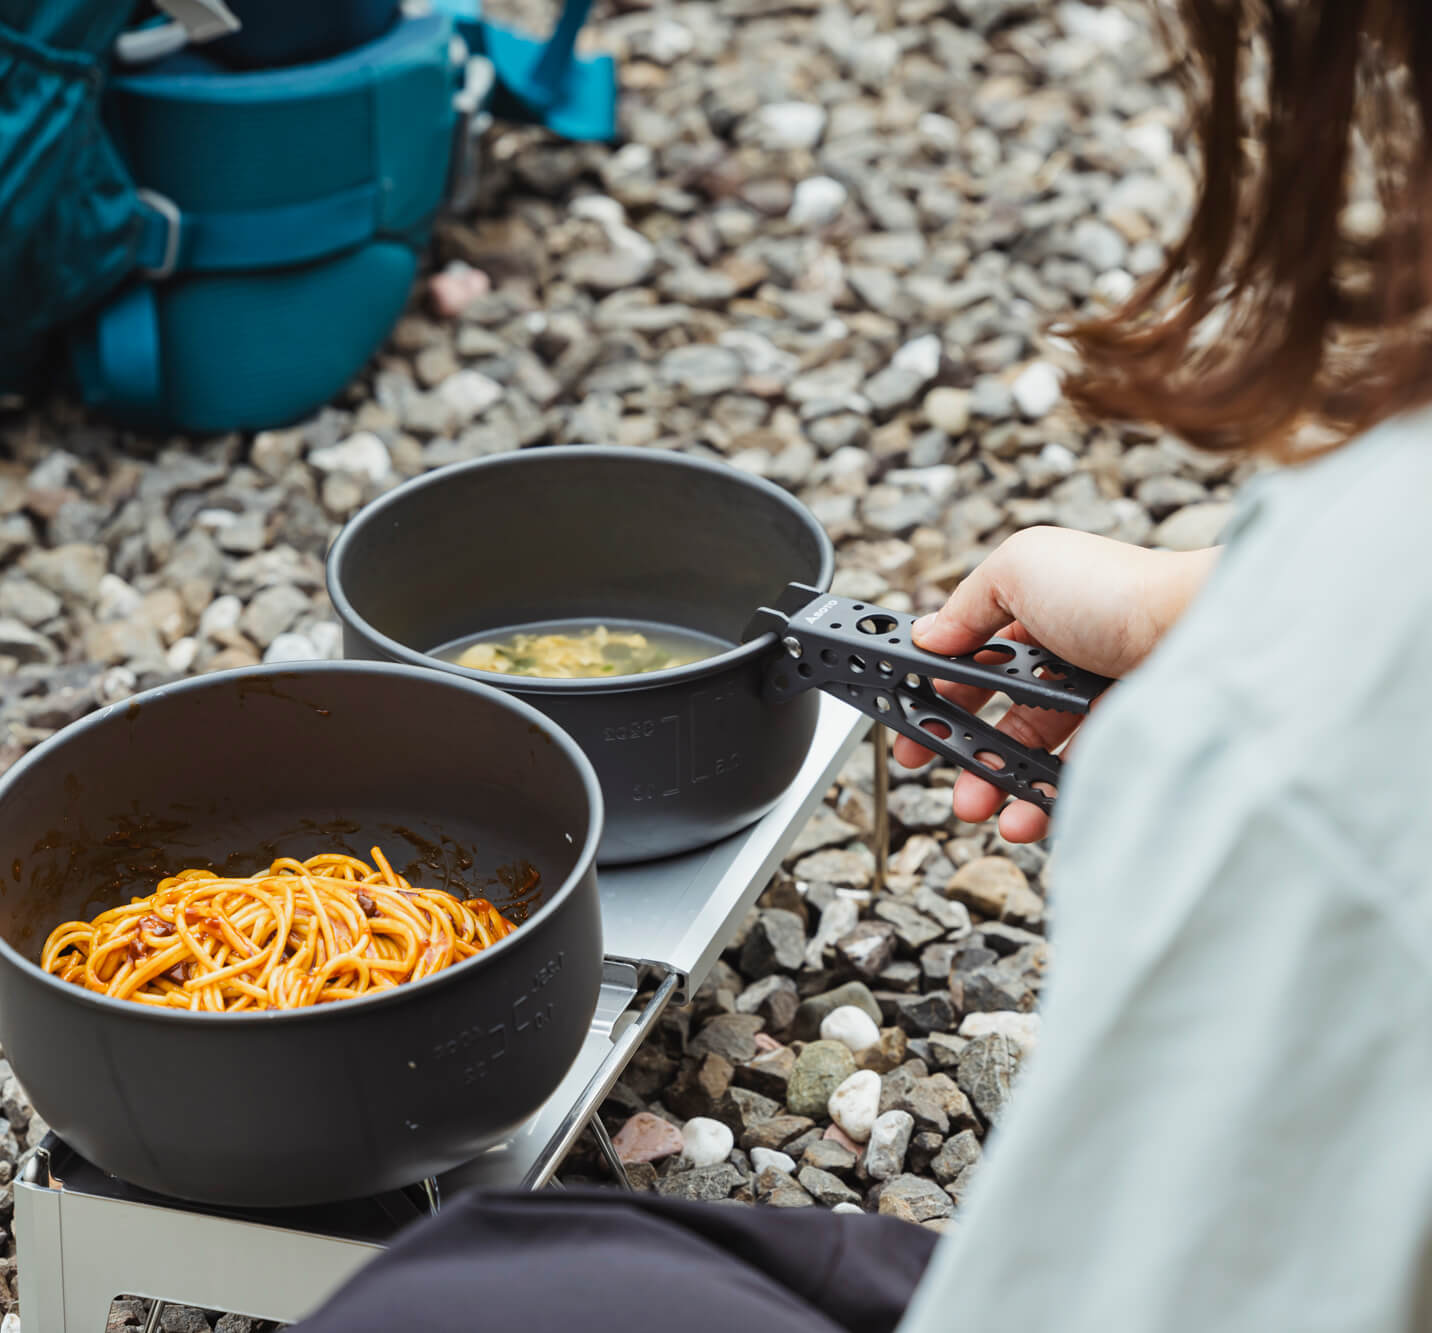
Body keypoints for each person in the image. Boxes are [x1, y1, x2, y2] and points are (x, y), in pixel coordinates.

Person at [299, 0, 1432, 1329]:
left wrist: (1256, 672)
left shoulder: (1311, 773)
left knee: (442, 1303)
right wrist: (1209, 607)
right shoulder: (1337, 621)